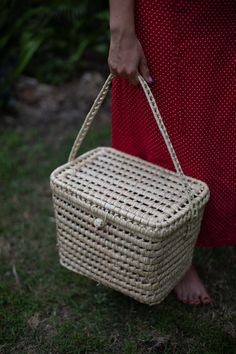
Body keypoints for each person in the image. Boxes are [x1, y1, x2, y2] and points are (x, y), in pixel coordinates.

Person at [108, 0, 236, 305]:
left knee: (223, 127)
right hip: (171, 16)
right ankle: (172, 251)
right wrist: (121, 31)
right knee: (167, 133)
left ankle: (220, 221)